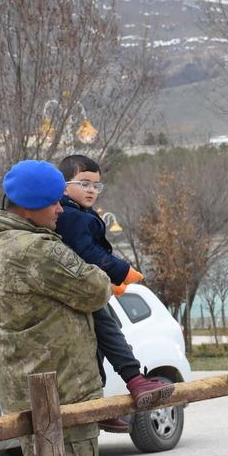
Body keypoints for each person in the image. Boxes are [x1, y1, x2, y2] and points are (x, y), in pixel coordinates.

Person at [0, 160, 112, 456]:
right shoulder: (39, 250)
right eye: (53, 202)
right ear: (28, 207)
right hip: (62, 392)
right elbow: (97, 289)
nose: (60, 209)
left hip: (20, 390)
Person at [56, 155, 174, 433]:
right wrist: (120, 271)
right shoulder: (71, 216)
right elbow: (87, 252)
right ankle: (134, 379)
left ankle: (96, 400)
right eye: (84, 183)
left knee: (99, 341)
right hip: (81, 287)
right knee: (109, 331)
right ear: (63, 186)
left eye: (96, 186)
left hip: (89, 286)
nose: (91, 190)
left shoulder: (79, 213)